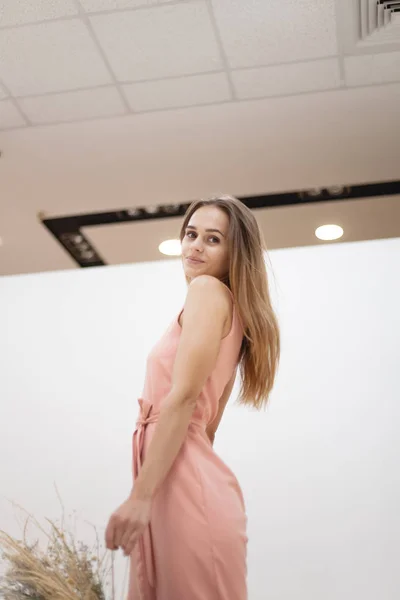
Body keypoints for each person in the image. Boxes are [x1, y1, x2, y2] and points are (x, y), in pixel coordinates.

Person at [105, 195, 280, 599]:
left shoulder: (206, 291)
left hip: (181, 491)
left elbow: (183, 399)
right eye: (190, 234)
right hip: (178, 484)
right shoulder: (229, 309)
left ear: (235, 252)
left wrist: (140, 497)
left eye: (213, 239)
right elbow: (209, 426)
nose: (195, 246)